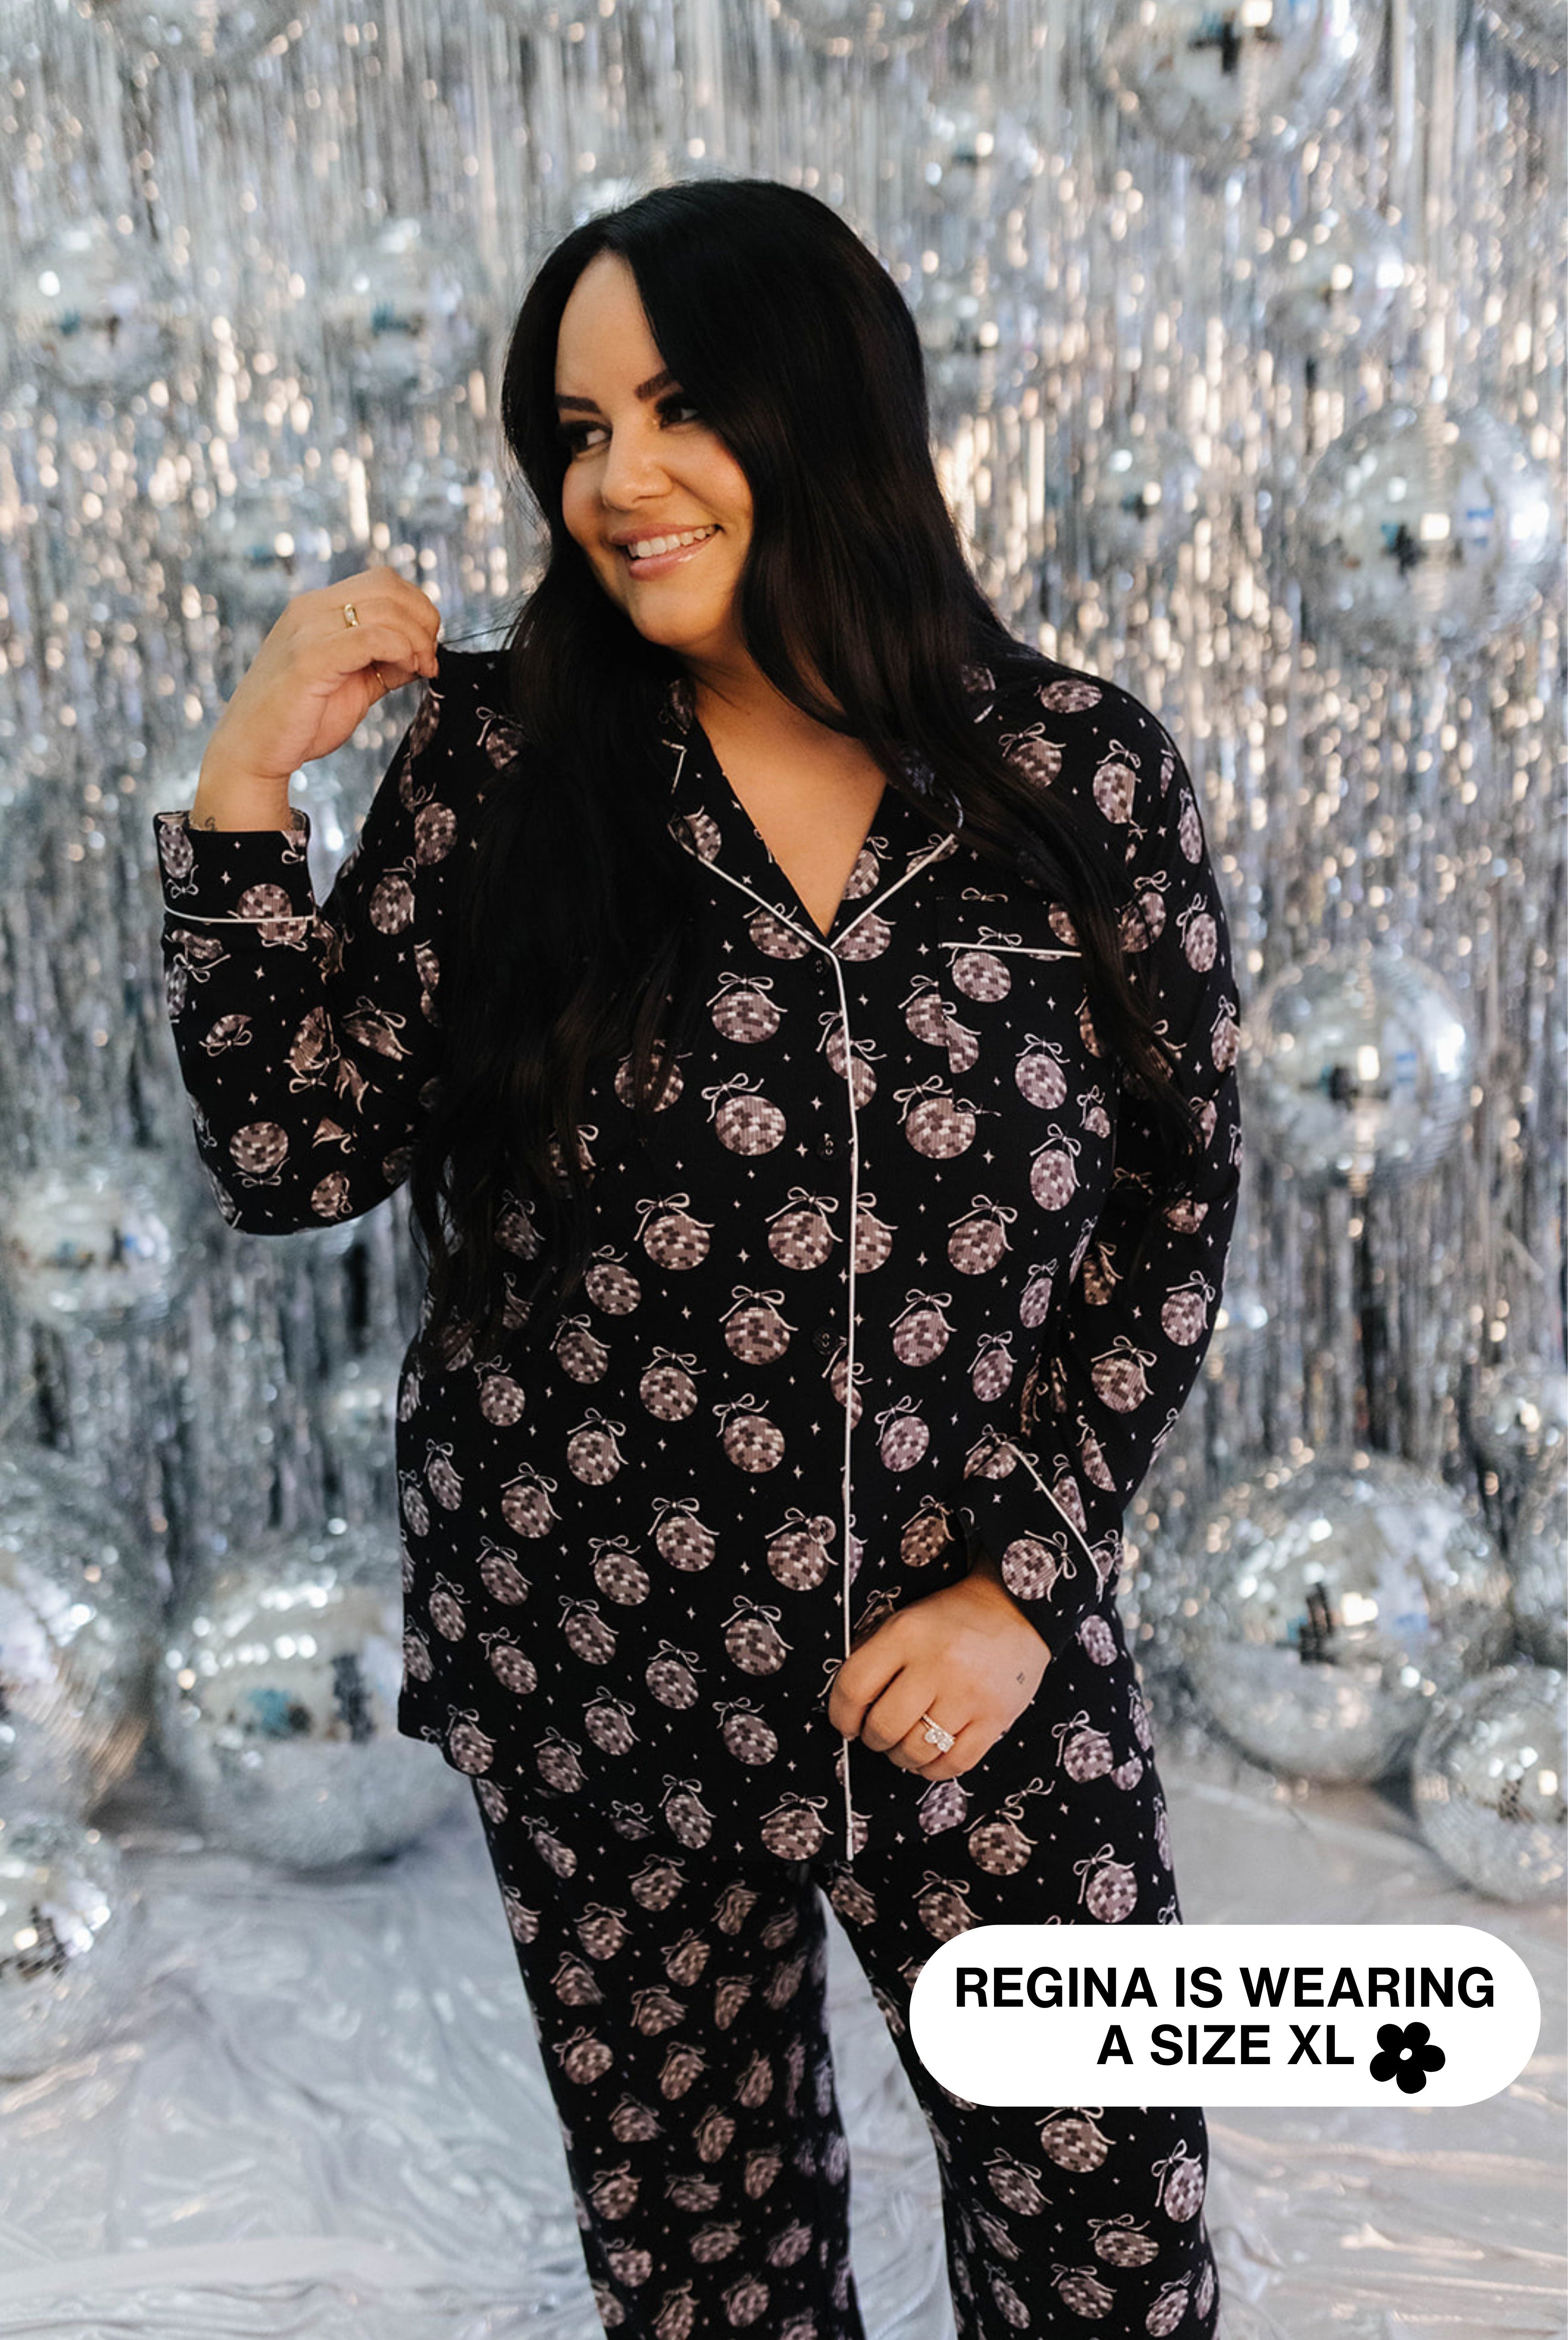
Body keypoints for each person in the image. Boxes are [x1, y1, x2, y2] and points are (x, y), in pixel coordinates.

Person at [154, 176, 1239, 2339]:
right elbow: (295, 1151)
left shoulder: (1071, 772)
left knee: (1106, 2209)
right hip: (598, 1648)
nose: (614, 480)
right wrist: (246, 787)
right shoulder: (499, 766)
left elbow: (1166, 1208)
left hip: (962, 1639)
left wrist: (1020, 1586)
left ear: (821, 402)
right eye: (570, 430)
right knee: (703, 2251)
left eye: (669, 409)